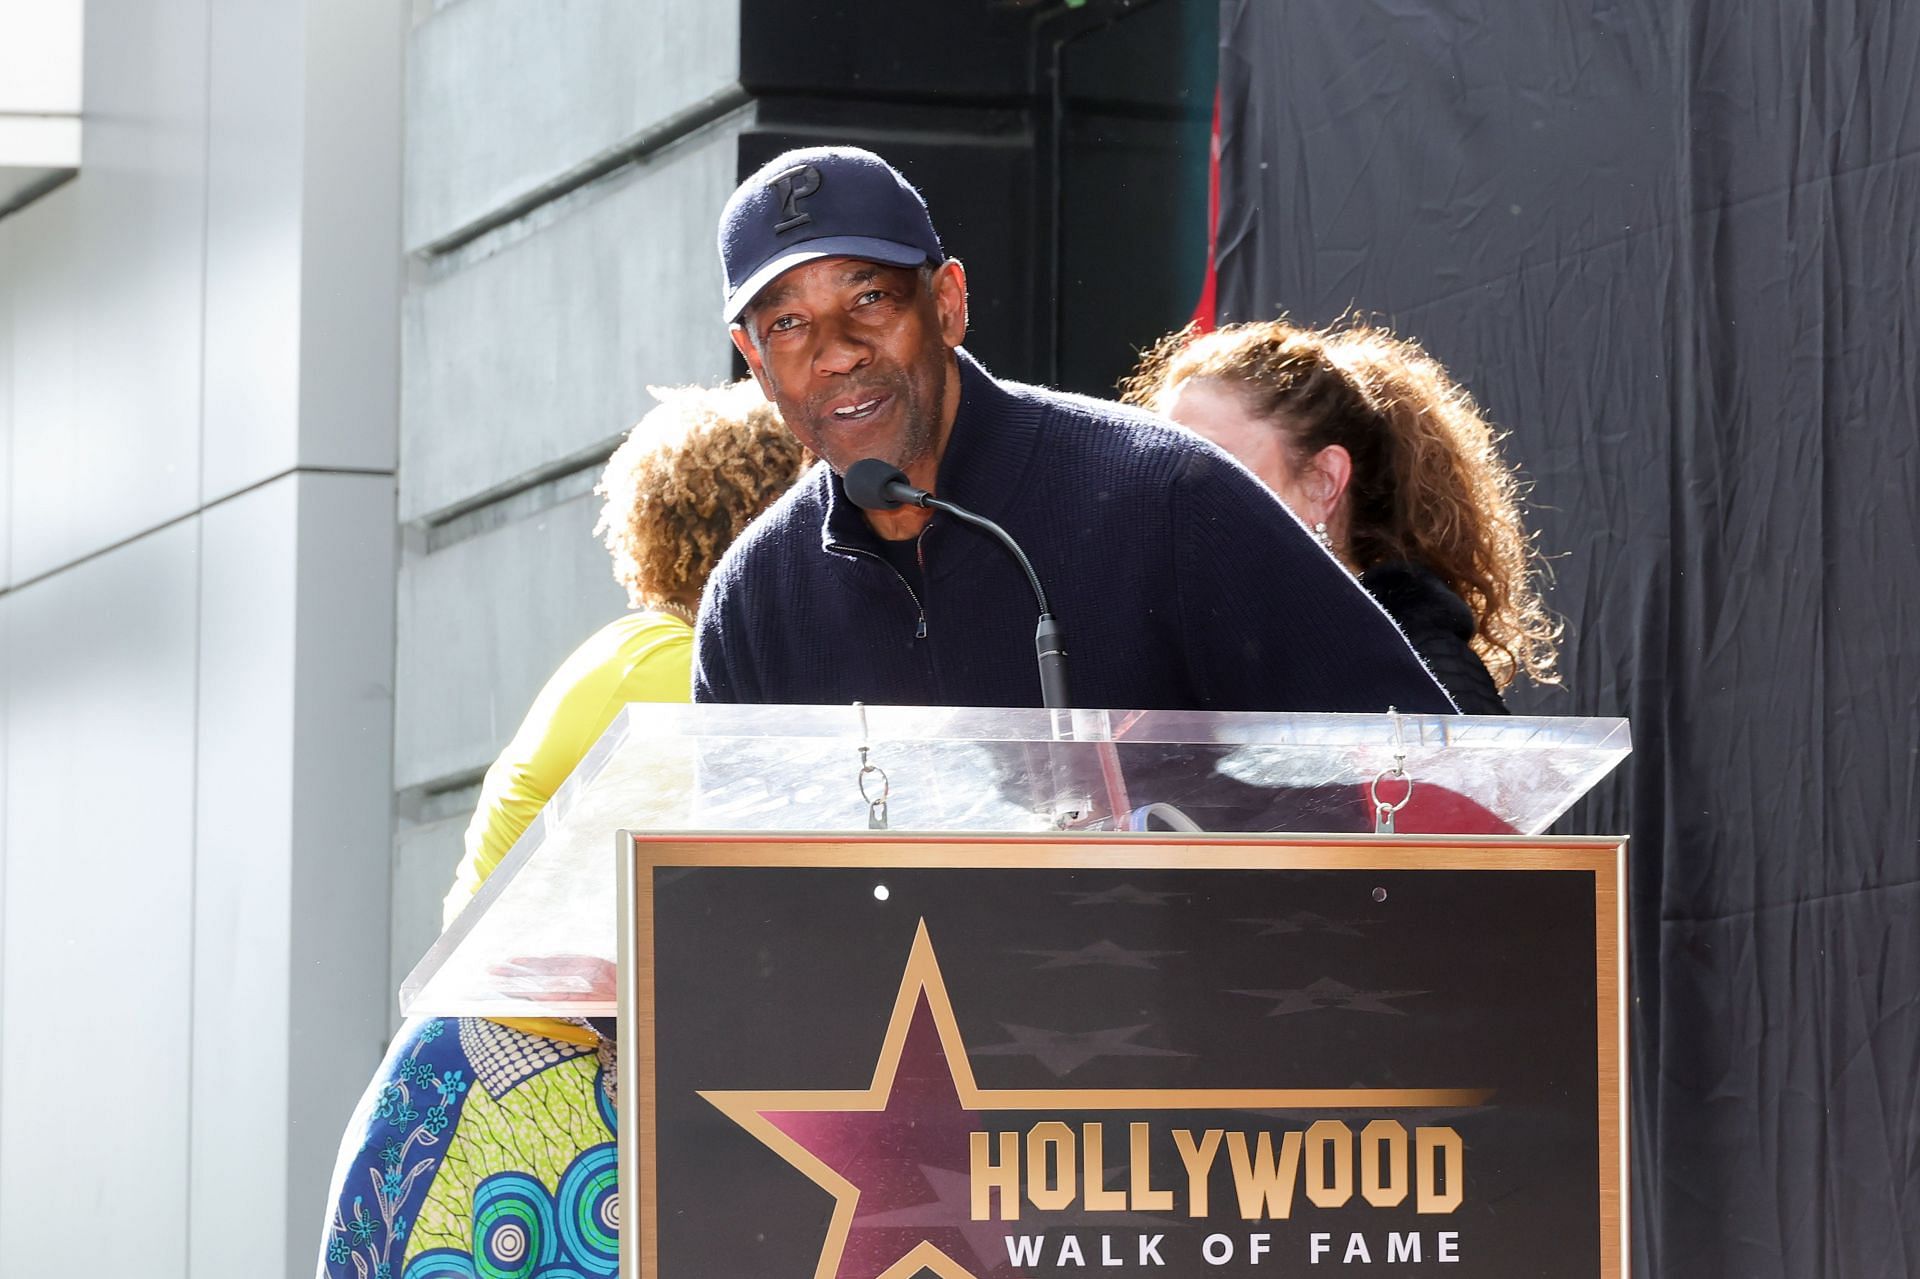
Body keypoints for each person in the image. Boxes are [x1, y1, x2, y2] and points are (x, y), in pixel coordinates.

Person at [316, 383, 803, 1279]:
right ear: (767, 520)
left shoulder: (634, 653)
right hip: (526, 1107)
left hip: (518, 1095)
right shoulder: (671, 673)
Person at [694, 145, 1455, 715]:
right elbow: (736, 900)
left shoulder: (1165, 497)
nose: (836, 351)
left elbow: (1413, 773)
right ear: (756, 364)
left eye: (870, 297)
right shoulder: (752, 601)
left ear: (949, 303)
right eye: (788, 324)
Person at [1121, 319, 1562, 713]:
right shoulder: (1168, 673)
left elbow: (1476, 802)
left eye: (1210, 466)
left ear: (1322, 482)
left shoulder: (1425, 673)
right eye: (1160, 467)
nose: (1172, 498)